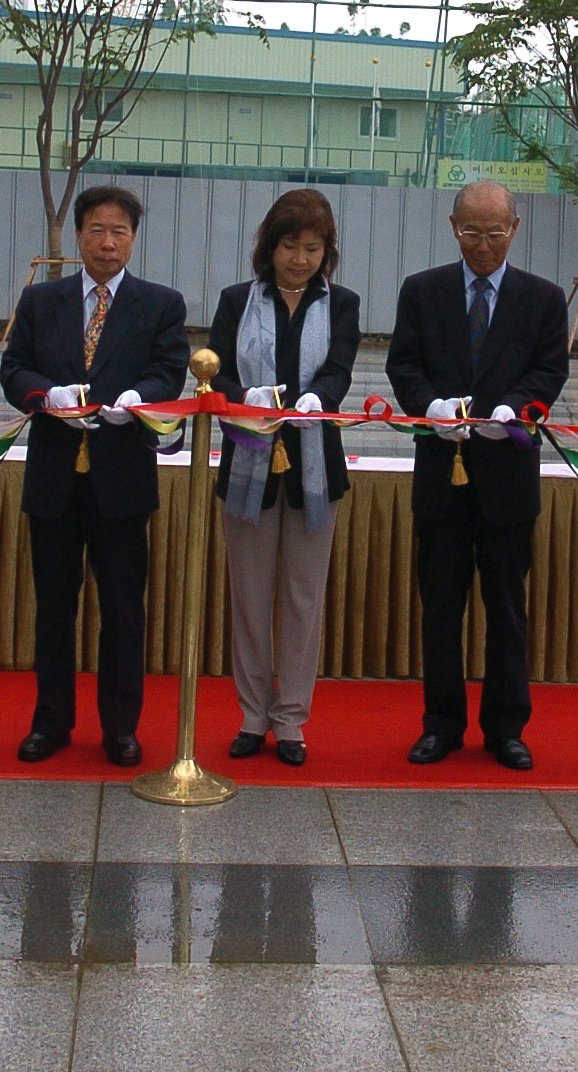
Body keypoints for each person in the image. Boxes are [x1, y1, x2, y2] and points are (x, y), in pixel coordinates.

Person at [0, 185, 189, 767]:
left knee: (123, 611)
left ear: (134, 238)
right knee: (55, 608)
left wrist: (138, 398)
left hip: (122, 478)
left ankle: (121, 729)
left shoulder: (161, 303)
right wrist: (44, 395)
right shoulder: (42, 300)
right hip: (55, 475)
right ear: (78, 235)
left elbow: (170, 371)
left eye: (120, 232)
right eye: (97, 231)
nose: (108, 243)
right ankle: (51, 723)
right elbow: (14, 369)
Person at [386, 181, 569, 771]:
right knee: (441, 607)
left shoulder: (542, 298)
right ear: (452, 226)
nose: (484, 244)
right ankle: (440, 723)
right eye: (472, 231)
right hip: (442, 472)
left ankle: (506, 727)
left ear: (514, 229)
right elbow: (403, 364)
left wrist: (516, 406)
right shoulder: (423, 291)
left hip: (508, 476)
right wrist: (430, 405)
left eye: (495, 232)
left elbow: (549, 370)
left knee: (507, 609)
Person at [207, 188, 361, 768]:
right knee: (250, 597)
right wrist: (245, 398)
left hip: (315, 470)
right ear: (269, 247)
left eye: (313, 248)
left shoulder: (342, 303)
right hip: (248, 463)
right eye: (290, 246)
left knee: (303, 599)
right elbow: (213, 376)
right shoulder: (235, 300)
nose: (300, 259)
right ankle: (252, 714)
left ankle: (292, 718)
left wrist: (312, 401)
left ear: (328, 252)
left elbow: (340, 370)